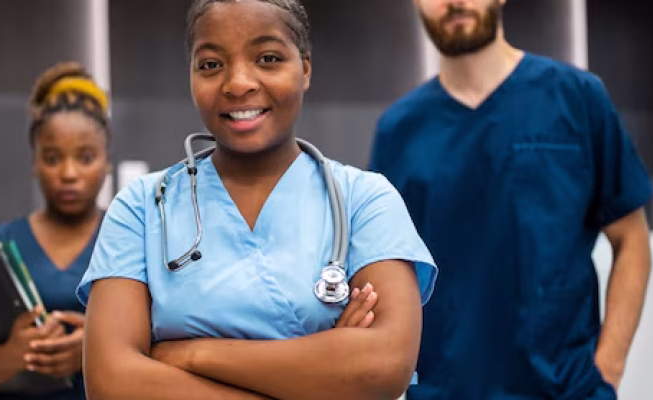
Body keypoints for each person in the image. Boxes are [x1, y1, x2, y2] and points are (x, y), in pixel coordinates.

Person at [76, 0, 439, 399]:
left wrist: (192, 355)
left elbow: (382, 366)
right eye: (211, 64)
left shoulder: (366, 202)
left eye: (267, 58)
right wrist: (323, 372)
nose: (238, 83)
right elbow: (112, 383)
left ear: (304, 68)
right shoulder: (142, 208)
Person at [368, 1, 653, 399]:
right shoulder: (399, 131)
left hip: (565, 389)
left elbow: (631, 239)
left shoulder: (577, 99)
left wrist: (608, 368)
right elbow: (386, 277)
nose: (455, 3)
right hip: (445, 390)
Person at [0, 62, 112, 400]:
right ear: (34, 163)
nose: (69, 173)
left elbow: (175, 351)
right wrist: (12, 356)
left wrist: (96, 351)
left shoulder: (132, 243)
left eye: (85, 158)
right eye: (53, 158)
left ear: (107, 161)